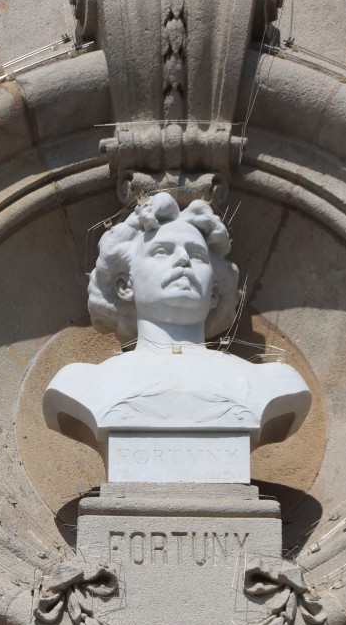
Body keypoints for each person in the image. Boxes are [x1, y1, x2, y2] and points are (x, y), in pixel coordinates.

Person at [43, 193, 311, 470]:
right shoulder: (82, 383)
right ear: (125, 286)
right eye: (162, 251)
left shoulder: (272, 382)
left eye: (196, 255)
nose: (183, 260)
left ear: (215, 293)